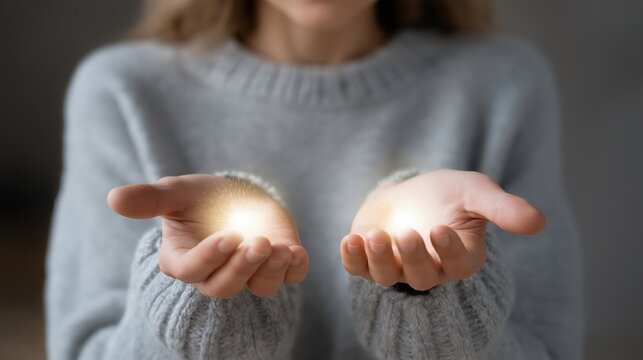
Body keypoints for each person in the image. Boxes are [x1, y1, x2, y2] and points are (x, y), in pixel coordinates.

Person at [46, 0, 584, 359]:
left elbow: (549, 347)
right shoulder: (123, 89)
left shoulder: (501, 83)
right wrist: (194, 308)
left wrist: (443, 310)